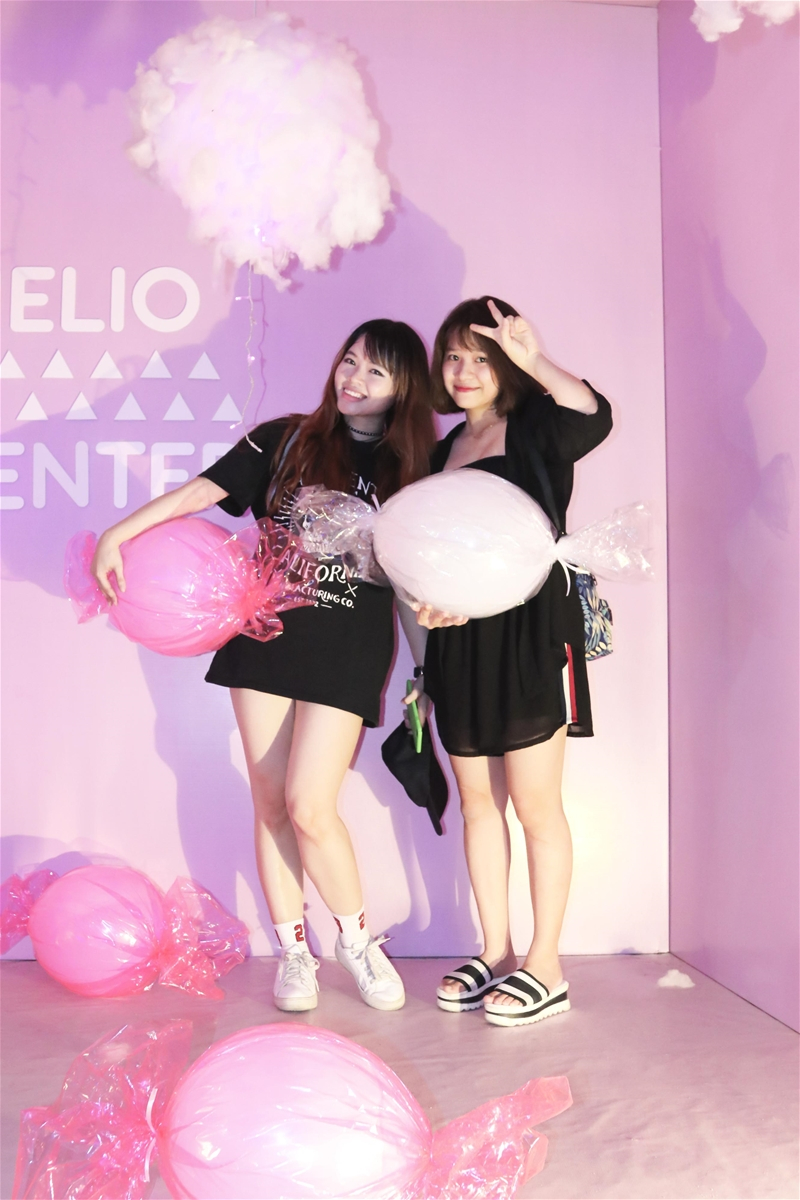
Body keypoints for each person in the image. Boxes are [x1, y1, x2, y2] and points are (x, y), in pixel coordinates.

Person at [92, 320, 435, 1014]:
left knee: (312, 804)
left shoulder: (413, 474)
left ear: (403, 389)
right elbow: (200, 493)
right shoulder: (286, 439)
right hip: (268, 637)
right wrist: (119, 531)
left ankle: (357, 942)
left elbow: (409, 590)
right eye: (349, 361)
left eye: (375, 371)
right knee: (272, 801)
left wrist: (423, 678)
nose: (353, 379)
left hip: (350, 649)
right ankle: (294, 952)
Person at [404, 297, 613, 1026]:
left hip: (529, 636)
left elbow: (594, 417)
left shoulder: (536, 428)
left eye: (482, 358)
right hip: (461, 645)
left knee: (534, 806)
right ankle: (494, 951)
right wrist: (432, 603)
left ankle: (545, 965)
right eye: (453, 357)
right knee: (478, 804)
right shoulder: (442, 451)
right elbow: (433, 552)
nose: (464, 372)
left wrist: (534, 358)